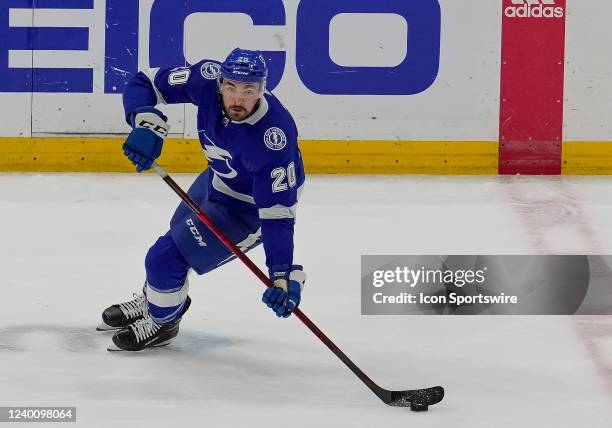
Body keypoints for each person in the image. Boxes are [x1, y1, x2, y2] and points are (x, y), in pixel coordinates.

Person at [97, 48, 306, 351]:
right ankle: (155, 301)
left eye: (249, 90)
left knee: (164, 258)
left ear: (262, 90)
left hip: (248, 209)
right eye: (231, 87)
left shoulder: (273, 139)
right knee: (175, 235)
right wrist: (144, 121)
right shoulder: (205, 78)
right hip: (218, 178)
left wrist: (281, 275)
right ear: (220, 82)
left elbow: (277, 215)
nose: (238, 98)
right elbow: (144, 81)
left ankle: (163, 323)